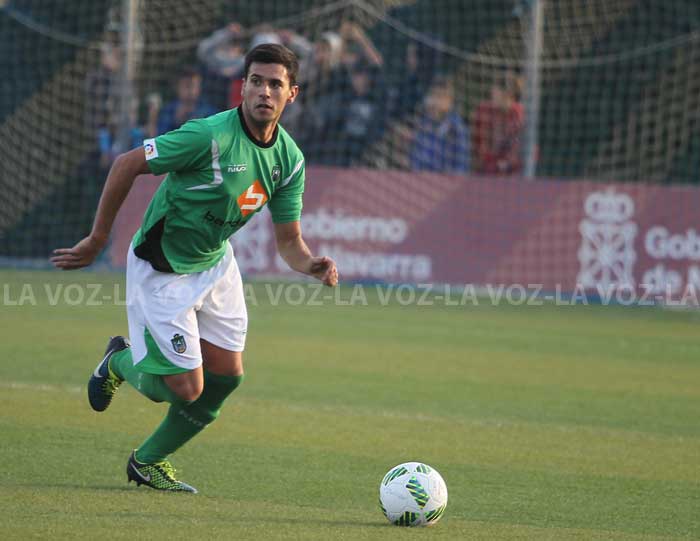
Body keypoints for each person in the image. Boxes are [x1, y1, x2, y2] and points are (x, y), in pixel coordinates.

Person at [51, 44, 338, 493]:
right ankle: (119, 361)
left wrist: (311, 265)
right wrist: (98, 239)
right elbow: (127, 164)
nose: (264, 91)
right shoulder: (209, 136)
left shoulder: (289, 160)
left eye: (275, 84)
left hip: (215, 263)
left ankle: (147, 462)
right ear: (243, 87)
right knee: (185, 388)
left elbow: (289, 242)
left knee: (226, 379)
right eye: (256, 81)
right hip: (162, 267)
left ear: (292, 93)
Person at [410, 78, 470, 174]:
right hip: (423, 178)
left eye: (440, 97)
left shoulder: (458, 129)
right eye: (432, 96)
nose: (434, 102)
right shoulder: (423, 124)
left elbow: (461, 167)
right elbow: (415, 159)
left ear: (450, 101)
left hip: (447, 180)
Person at [471, 71, 525, 175]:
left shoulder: (519, 116)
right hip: (485, 172)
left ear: (508, 95)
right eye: (493, 90)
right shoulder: (484, 111)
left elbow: (522, 152)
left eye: (496, 91)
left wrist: (505, 164)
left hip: (512, 175)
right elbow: (479, 147)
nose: (492, 94)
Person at [155, 66, 217, 135]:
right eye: (187, 86)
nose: (190, 90)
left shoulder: (209, 112)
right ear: (178, 87)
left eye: (194, 85)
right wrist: (177, 121)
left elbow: (214, 136)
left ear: (199, 88)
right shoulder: (169, 110)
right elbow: (161, 136)